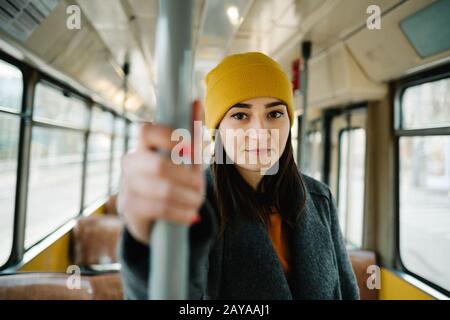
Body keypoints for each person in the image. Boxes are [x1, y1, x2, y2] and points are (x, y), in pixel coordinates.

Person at [117, 52, 359, 299]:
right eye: (240, 115)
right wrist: (146, 243)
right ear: (218, 129)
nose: (260, 132)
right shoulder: (195, 204)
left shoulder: (320, 199)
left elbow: (346, 292)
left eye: (274, 113)